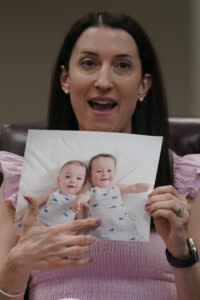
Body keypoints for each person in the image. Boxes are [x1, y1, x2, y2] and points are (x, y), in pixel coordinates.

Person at [0, 11, 200, 300]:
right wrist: (19, 262)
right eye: (89, 63)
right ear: (66, 79)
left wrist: (182, 253)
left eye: (122, 65)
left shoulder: (186, 182)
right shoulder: (21, 183)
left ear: (143, 85)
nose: (104, 80)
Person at [73, 153, 153, 241]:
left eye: (109, 171)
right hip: (99, 229)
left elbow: (134, 187)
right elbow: (83, 196)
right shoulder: (92, 191)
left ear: (114, 173)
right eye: (99, 171)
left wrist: (149, 187)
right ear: (90, 177)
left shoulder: (116, 188)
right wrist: (79, 201)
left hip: (122, 224)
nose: (104, 174)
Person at [37, 160, 88, 226]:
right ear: (59, 180)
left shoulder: (79, 201)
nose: (72, 181)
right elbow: (34, 204)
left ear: (83, 184)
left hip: (58, 233)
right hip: (38, 225)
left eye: (78, 178)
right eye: (68, 176)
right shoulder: (53, 192)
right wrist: (19, 216)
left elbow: (80, 223)